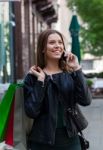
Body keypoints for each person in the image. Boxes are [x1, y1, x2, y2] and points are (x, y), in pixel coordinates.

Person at [23, 29, 91, 150]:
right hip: (41, 142)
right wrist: (41, 82)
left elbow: (86, 100)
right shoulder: (33, 77)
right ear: (43, 48)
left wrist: (77, 68)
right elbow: (31, 111)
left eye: (60, 42)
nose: (57, 46)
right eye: (52, 42)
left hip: (71, 140)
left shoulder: (70, 73)